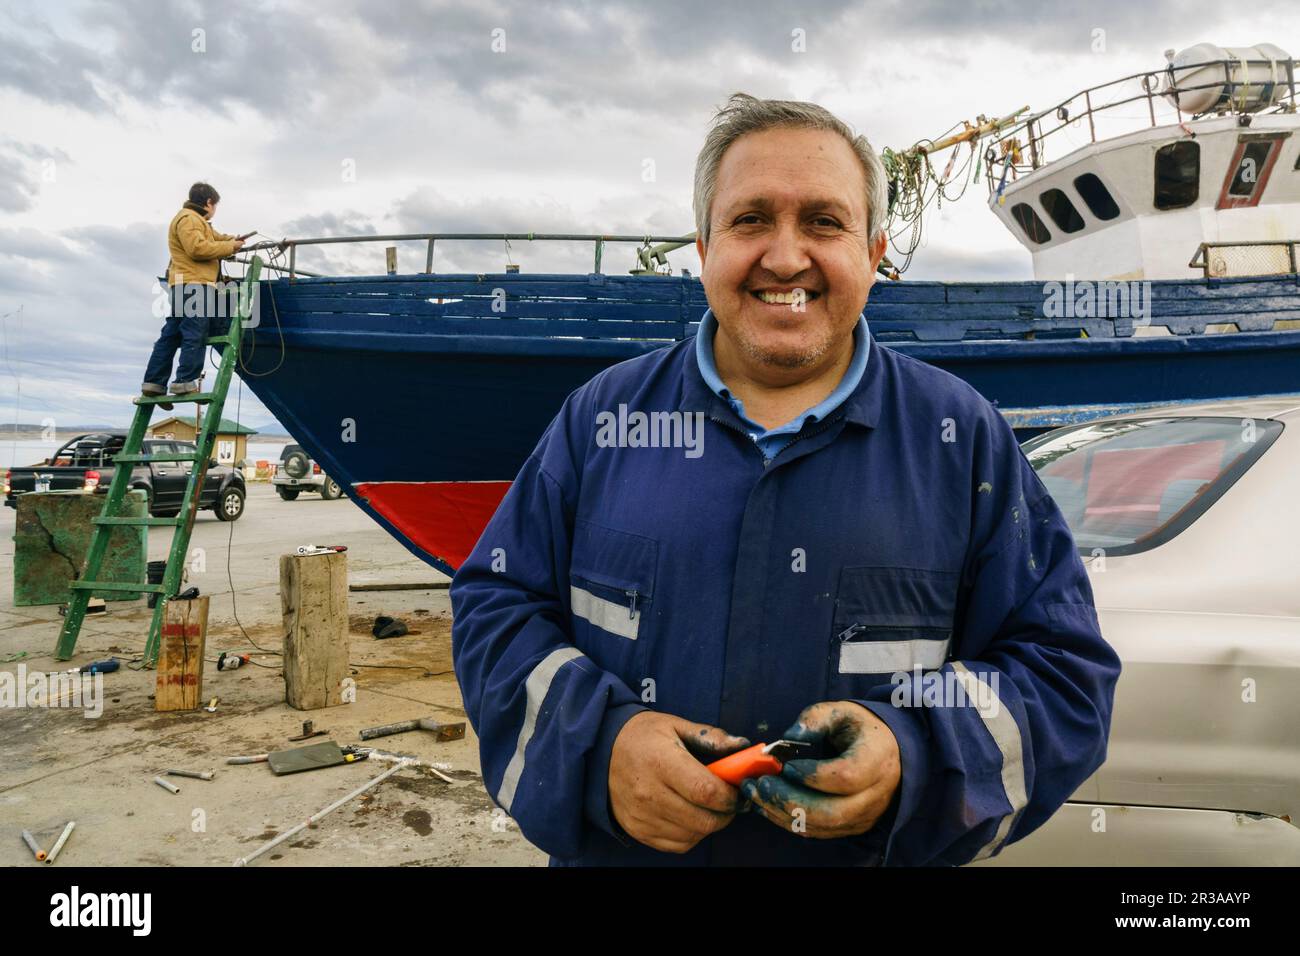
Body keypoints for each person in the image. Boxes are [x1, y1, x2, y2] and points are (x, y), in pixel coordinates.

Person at [450, 93, 1122, 865]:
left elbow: (1063, 674)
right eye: (751, 220)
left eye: (824, 223)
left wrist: (914, 755)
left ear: (874, 254)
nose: (785, 256)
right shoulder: (599, 419)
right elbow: (494, 609)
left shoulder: (961, 437)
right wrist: (600, 749)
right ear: (703, 248)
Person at [141, 183, 248, 406]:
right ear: (209, 202)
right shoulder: (189, 219)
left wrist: (233, 241)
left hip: (183, 284)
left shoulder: (196, 221)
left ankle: (154, 383)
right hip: (194, 283)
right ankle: (184, 382)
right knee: (195, 332)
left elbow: (214, 238)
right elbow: (197, 249)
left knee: (171, 334)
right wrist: (230, 247)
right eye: (215, 205)